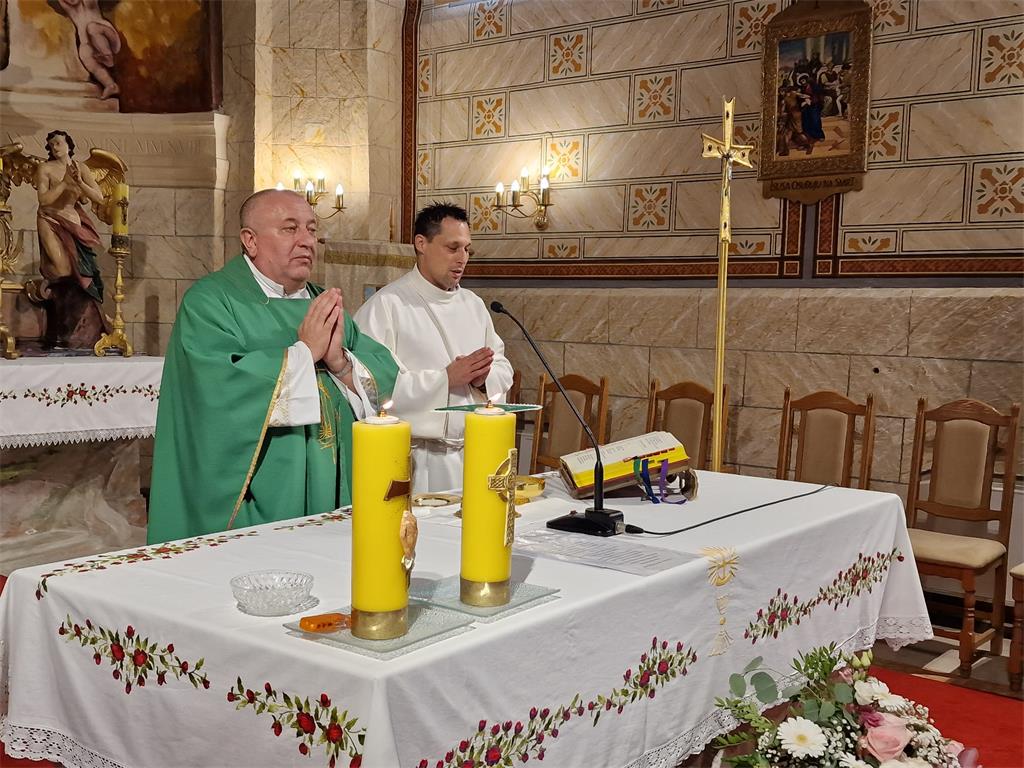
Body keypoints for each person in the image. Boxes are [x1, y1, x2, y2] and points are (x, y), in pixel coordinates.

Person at [147, 189, 399, 543]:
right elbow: (216, 390)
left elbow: (386, 375)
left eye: (311, 229)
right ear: (250, 241)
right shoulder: (212, 302)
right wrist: (304, 353)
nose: (306, 241)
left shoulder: (323, 303)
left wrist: (340, 363)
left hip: (336, 482)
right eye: (289, 229)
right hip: (263, 492)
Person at [354, 203, 513, 493]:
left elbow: (502, 366)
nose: (462, 259)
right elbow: (368, 385)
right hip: (417, 460)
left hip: (474, 453)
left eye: (467, 250)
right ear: (421, 243)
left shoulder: (474, 305)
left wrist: (483, 379)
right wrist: (445, 379)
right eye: (452, 248)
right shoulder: (387, 306)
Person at [34, 129, 109, 349]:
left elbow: (98, 197)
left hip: (74, 220)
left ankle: (77, 325)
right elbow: (43, 199)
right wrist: (64, 183)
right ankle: (54, 300)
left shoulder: (81, 168)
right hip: (50, 218)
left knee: (79, 271)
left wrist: (79, 182)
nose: (55, 147)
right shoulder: (45, 168)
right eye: (51, 144)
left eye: (58, 142)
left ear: (69, 145)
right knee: (61, 268)